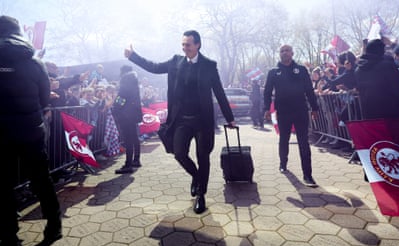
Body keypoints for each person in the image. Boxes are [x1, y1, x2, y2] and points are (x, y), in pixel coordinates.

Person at [0, 15, 62, 246]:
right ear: (19, 34)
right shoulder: (36, 63)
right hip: (32, 132)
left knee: (1, 188)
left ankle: (9, 240)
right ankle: (54, 225)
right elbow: (45, 96)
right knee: (42, 180)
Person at [124, 30, 236, 214]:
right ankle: (196, 177)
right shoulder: (176, 62)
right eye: (183, 44)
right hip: (181, 120)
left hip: (203, 120)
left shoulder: (209, 65)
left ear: (198, 45)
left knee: (203, 156)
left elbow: (219, 92)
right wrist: (133, 56)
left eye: (188, 45)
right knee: (179, 153)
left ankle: (201, 195)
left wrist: (229, 117)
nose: (185, 48)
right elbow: (154, 66)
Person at [263, 44, 319, 187]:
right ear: (279, 54)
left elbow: (309, 90)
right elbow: (268, 92)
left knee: (303, 142)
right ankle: (283, 163)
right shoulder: (273, 72)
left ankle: (308, 175)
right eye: (282, 51)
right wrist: (266, 109)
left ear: (292, 53)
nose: (285, 53)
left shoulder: (301, 70)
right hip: (283, 111)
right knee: (284, 139)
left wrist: (314, 107)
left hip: (300, 110)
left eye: (287, 50)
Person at [355, 39, 399, 120]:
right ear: (382, 50)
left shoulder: (358, 70)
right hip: (391, 112)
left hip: (369, 114)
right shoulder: (388, 65)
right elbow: (398, 88)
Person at [113, 65, 143, 174]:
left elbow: (122, 96)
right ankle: (136, 160)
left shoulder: (126, 79)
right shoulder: (134, 79)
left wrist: (115, 107)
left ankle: (128, 165)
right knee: (135, 137)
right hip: (133, 113)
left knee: (128, 139)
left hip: (126, 114)